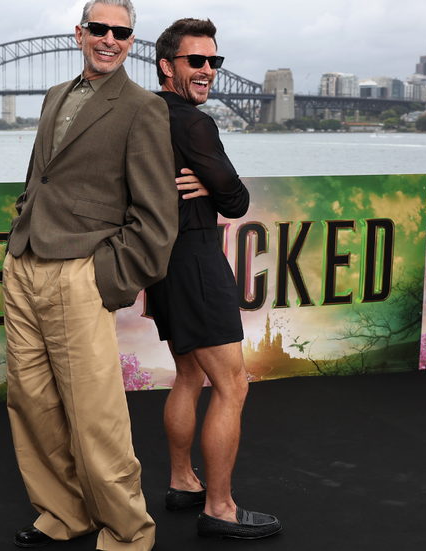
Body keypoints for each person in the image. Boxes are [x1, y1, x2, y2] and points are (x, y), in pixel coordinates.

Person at [3, 0, 176, 549]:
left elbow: (155, 217)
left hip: (79, 272)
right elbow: (41, 177)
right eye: (98, 28)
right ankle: (64, 514)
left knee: (95, 414)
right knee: (32, 402)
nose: (109, 39)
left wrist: (107, 279)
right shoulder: (56, 95)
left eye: (121, 32)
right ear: (79, 33)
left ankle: (127, 532)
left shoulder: (143, 107)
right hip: (24, 264)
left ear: (131, 40)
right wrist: (21, 230)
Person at [146, 18, 282, 539]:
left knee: (188, 374)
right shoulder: (194, 124)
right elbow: (237, 200)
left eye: (214, 61)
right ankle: (219, 508)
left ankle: (184, 481)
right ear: (167, 65)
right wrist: (211, 183)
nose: (208, 71)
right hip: (197, 261)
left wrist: (204, 183)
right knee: (232, 385)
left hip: (162, 262)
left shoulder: (147, 113)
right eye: (195, 61)